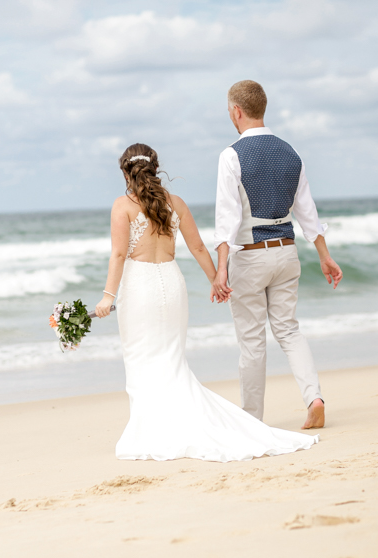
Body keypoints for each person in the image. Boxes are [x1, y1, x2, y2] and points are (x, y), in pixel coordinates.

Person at [93, 143, 318, 462]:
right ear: (154, 168)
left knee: (141, 356)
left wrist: (107, 296)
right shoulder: (177, 203)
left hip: (139, 288)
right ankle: (170, 424)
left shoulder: (122, 205)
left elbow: (118, 254)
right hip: (172, 284)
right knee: (171, 357)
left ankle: (152, 429)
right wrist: (216, 278)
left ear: (125, 172)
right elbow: (198, 247)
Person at [213, 80, 343, 430]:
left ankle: (253, 420)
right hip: (287, 254)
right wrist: (325, 256)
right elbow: (307, 212)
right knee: (289, 331)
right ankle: (314, 397)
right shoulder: (291, 153)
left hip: (250, 258)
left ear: (236, 111)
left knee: (253, 343)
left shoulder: (232, 155)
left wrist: (220, 270)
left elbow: (227, 220)